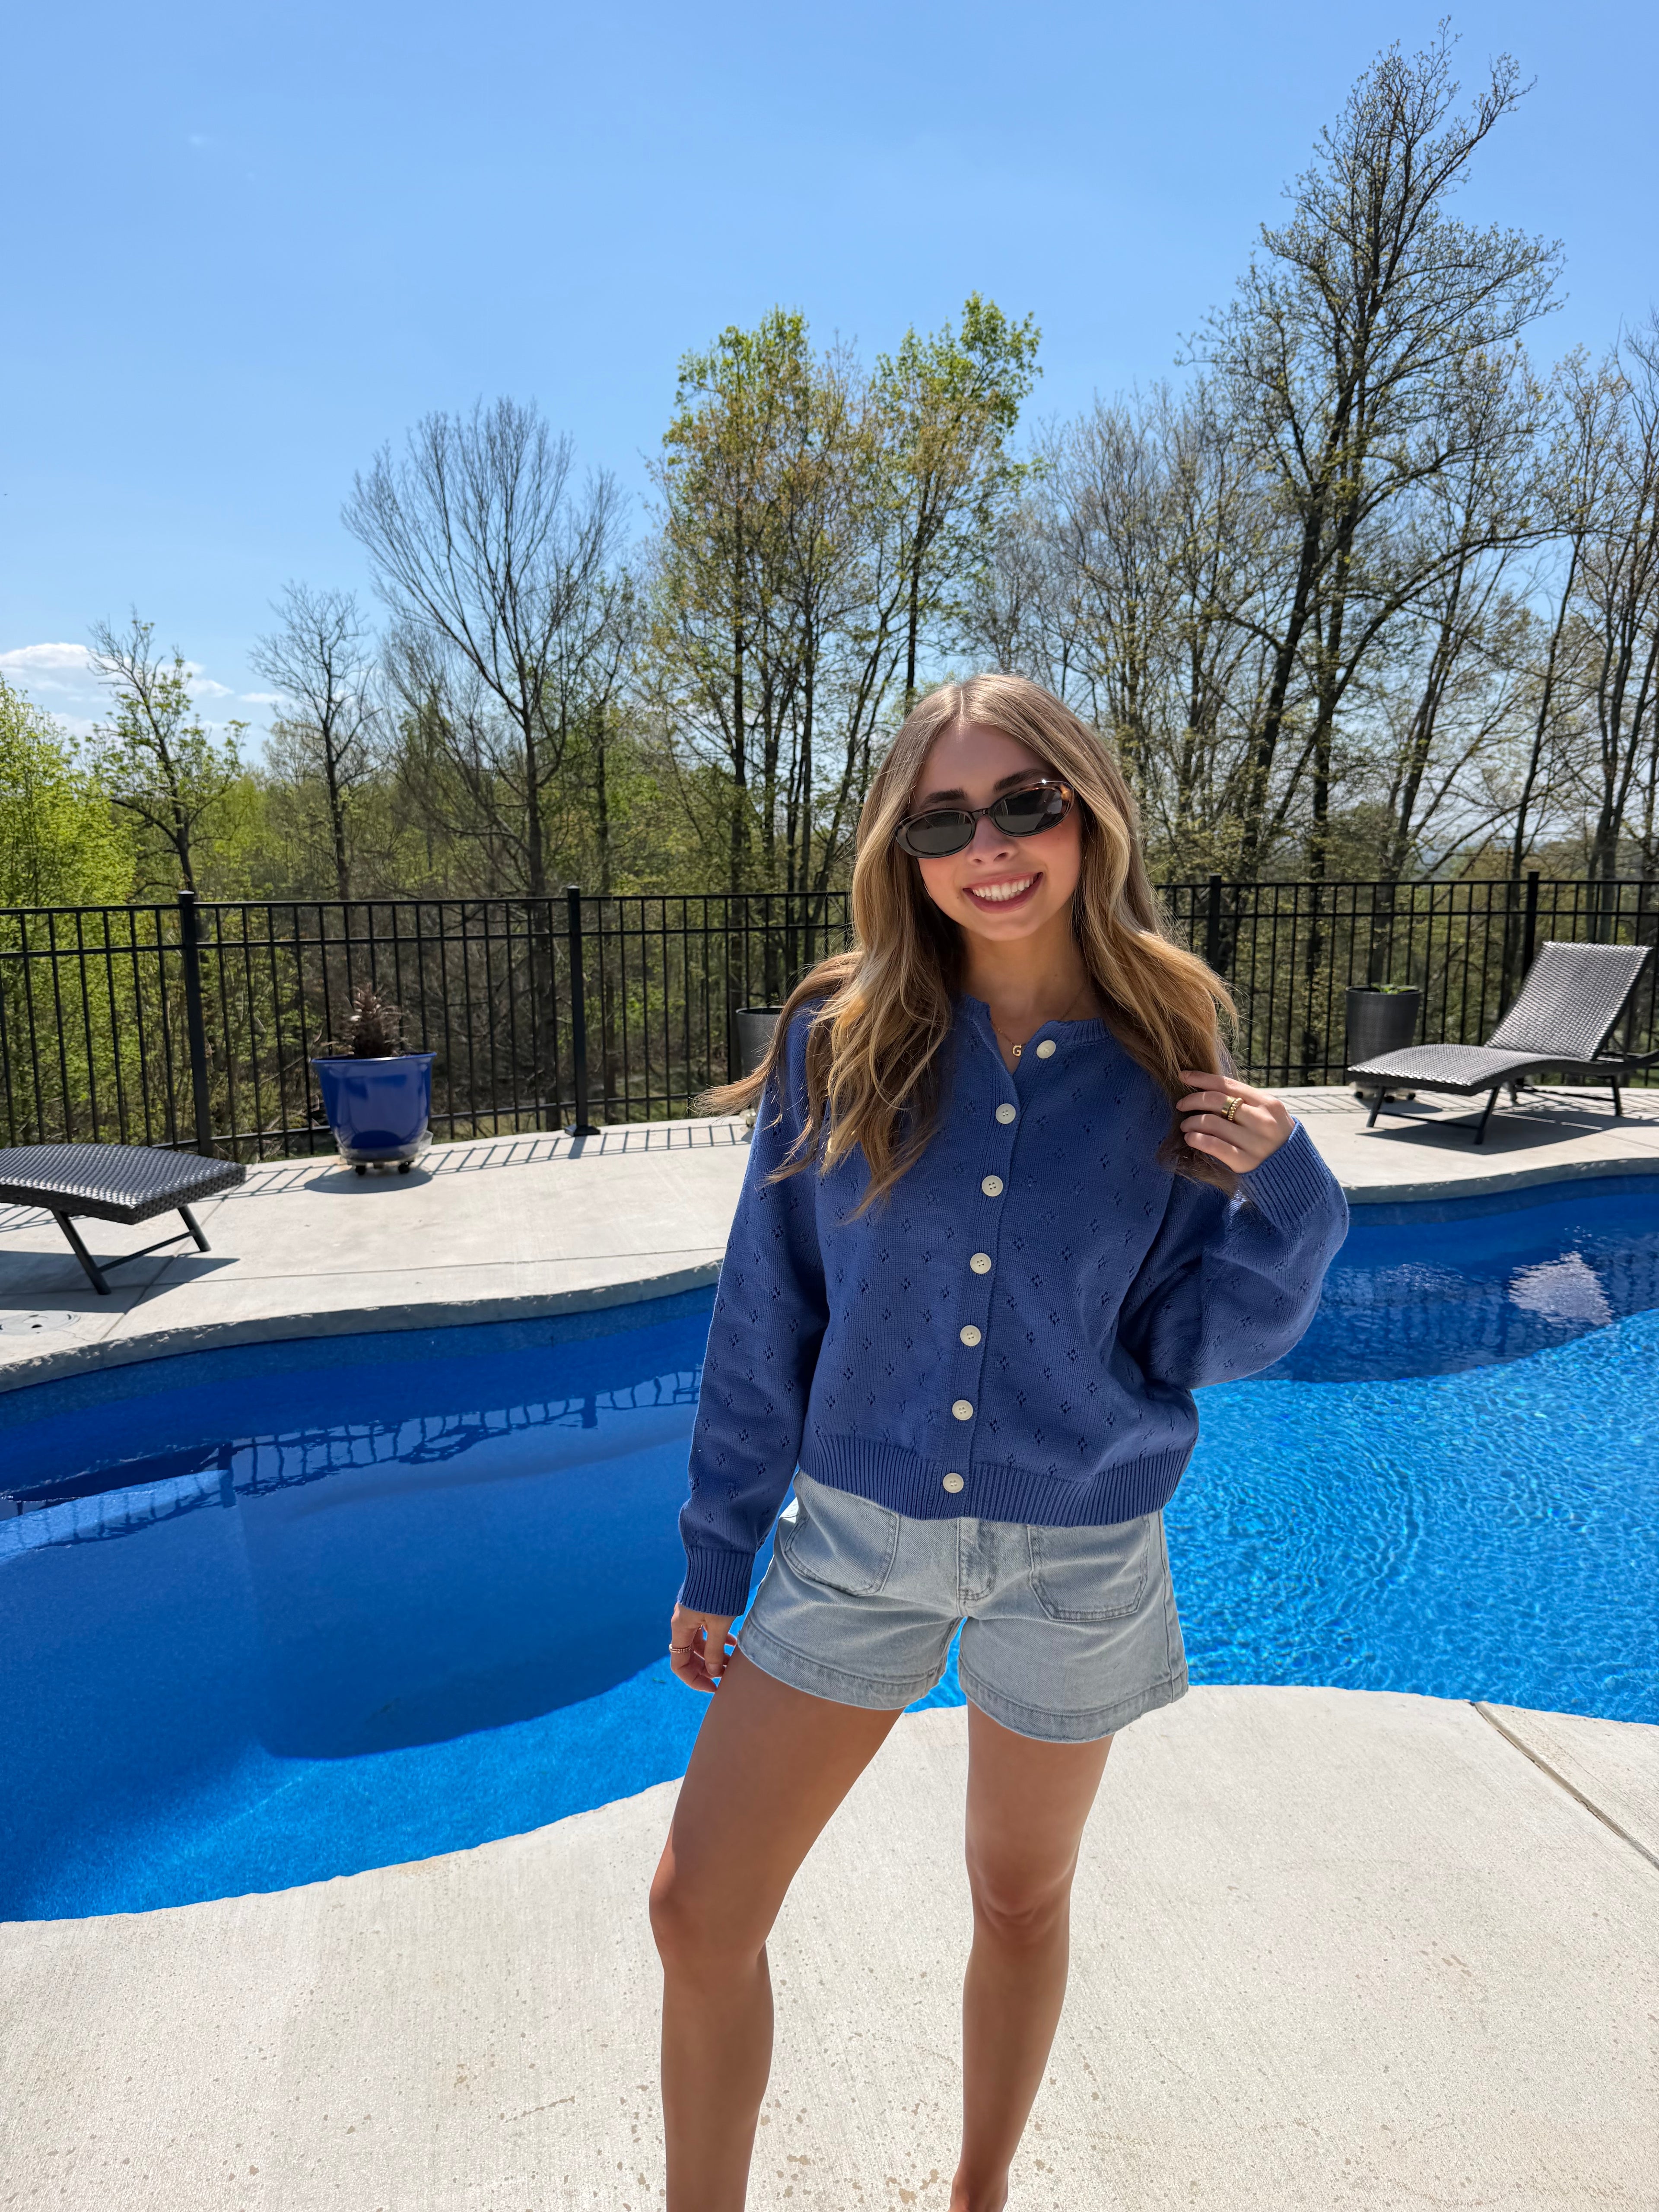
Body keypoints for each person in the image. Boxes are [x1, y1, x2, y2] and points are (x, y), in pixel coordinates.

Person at [649, 673, 1349, 2212]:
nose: (992, 845)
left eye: (1026, 802)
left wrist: (1299, 1202)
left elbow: (1190, 1340)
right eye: (944, 817)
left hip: (1080, 1556)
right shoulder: (841, 1039)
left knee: (1019, 1897)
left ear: (1086, 813)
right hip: (853, 1546)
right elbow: (769, 1312)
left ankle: (980, 2193)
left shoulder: (1177, 1035)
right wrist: (721, 1543)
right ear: (904, 850)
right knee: (699, 1911)